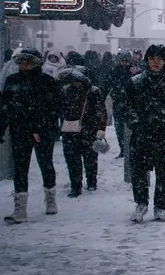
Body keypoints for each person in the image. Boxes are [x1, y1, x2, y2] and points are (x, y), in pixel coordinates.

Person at [2, 49, 62, 224]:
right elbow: (5, 107)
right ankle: (20, 208)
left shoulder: (46, 81)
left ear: (36, 63)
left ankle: (50, 198)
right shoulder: (12, 81)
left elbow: (54, 107)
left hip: (42, 131)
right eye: (21, 61)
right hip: (19, 130)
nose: (24, 65)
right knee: (20, 168)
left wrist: (44, 126)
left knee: (46, 163)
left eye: (28, 61)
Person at [126, 44, 165, 222]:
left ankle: (160, 206)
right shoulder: (136, 82)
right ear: (146, 61)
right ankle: (141, 203)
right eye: (152, 59)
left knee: (164, 172)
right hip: (142, 134)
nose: (155, 62)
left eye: (159, 59)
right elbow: (126, 107)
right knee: (139, 172)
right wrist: (135, 123)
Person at [58, 68, 107, 198]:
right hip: (71, 129)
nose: (76, 83)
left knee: (89, 157)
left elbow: (100, 111)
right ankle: (76, 185)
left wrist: (100, 128)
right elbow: (61, 109)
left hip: (87, 129)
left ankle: (91, 181)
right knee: (73, 159)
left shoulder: (93, 91)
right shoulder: (65, 91)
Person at [108, 50, 139, 160]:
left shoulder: (135, 71)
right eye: (123, 61)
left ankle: (132, 149)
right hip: (118, 103)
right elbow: (109, 84)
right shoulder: (114, 71)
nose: (124, 63)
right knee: (119, 128)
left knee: (133, 128)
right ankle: (123, 149)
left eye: (126, 61)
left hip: (131, 104)